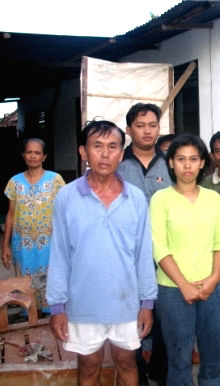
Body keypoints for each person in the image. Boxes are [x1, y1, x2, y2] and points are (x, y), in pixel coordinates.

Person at [46, 120, 157, 386]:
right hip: (83, 303)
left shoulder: (136, 198)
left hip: (127, 303)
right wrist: (57, 306)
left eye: (112, 147)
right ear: (83, 151)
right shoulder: (67, 197)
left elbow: (144, 254)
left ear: (121, 153)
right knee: (89, 366)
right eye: (97, 146)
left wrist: (147, 303)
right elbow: (59, 254)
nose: (105, 154)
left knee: (127, 362)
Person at [150, 133, 220, 386]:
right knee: (179, 356)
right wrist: (184, 284)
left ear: (203, 163)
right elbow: (159, 247)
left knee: (215, 353)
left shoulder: (214, 198)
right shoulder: (161, 199)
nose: (187, 165)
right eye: (181, 159)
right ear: (171, 162)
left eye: (193, 159)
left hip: (212, 288)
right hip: (173, 290)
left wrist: (214, 279)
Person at [117, 102, 171, 385]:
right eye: (140, 125)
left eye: (152, 125)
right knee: (130, 314)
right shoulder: (117, 165)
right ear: (129, 130)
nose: (147, 131)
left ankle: (160, 370)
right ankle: (135, 370)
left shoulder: (170, 163)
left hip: (166, 255)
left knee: (164, 315)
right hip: (128, 255)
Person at [2, 138, 65, 314]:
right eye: (29, 152)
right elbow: (10, 214)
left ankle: (53, 314)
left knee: (51, 277)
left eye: (37, 153)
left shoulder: (55, 181)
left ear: (44, 156)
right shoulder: (15, 182)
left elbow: (64, 210)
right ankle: (29, 314)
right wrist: (5, 245)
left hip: (49, 242)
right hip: (22, 243)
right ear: (23, 155)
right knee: (26, 279)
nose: (33, 156)